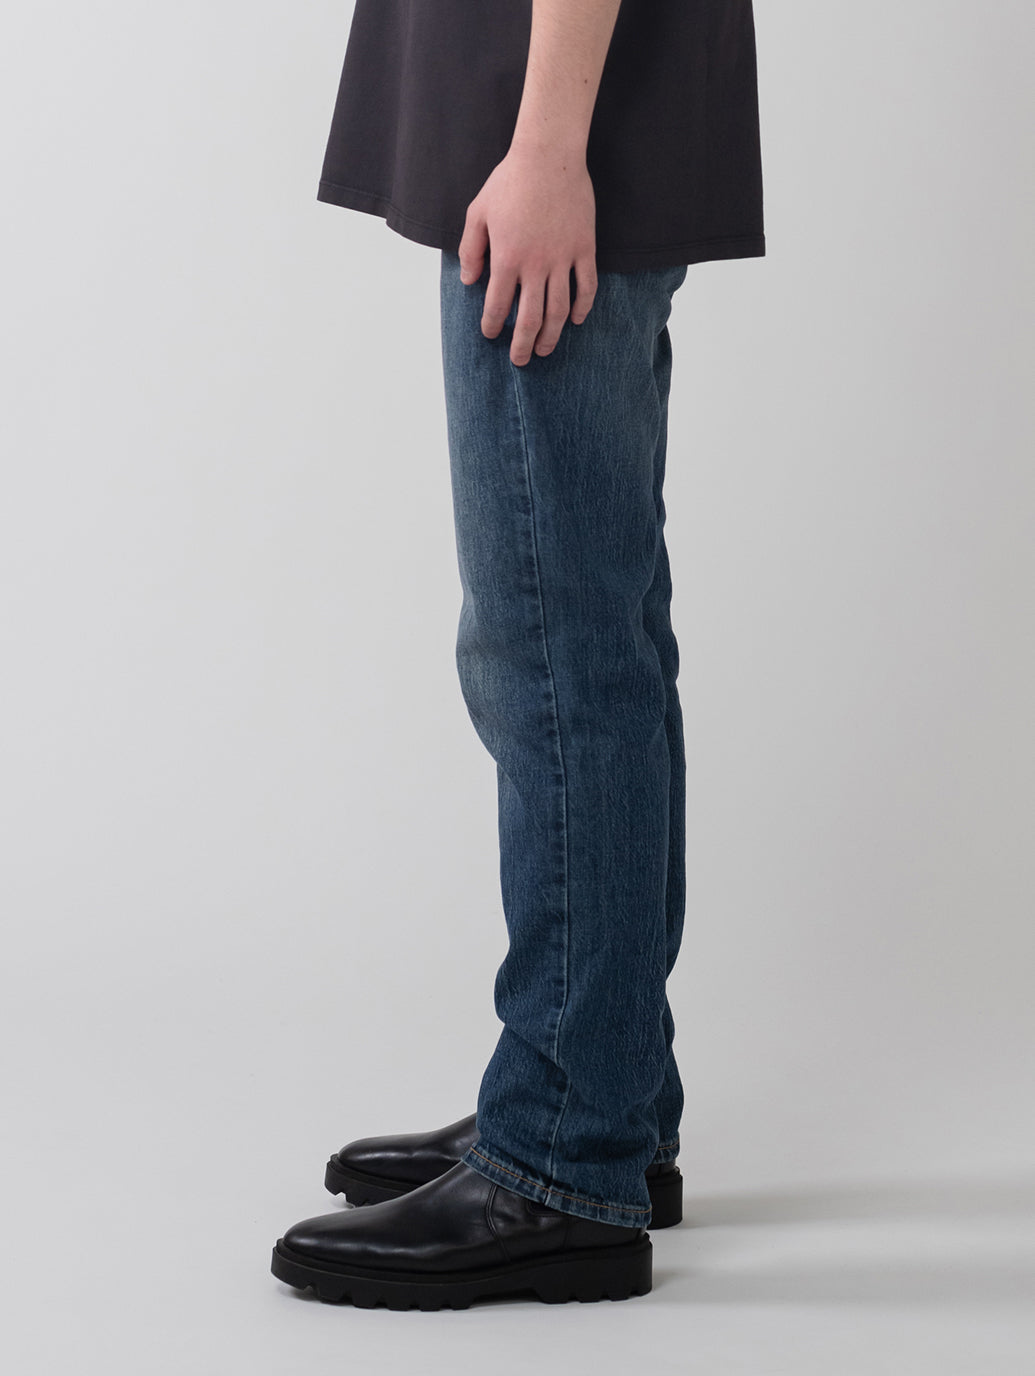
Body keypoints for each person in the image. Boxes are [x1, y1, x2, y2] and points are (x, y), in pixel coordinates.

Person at [270, 0, 766, 1310]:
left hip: (555, 134)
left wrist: (547, 147)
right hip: (564, 117)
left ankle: (561, 1153)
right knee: (598, 638)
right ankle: (604, 1092)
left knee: (555, 655)